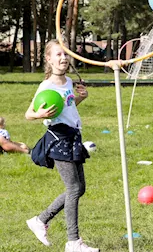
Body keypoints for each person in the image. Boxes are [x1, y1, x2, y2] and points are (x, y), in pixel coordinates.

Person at [25, 39, 99, 252]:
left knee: (79, 188)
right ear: (48, 59)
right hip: (58, 140)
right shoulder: (46, 86)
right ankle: (73, 242)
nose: (63, 58)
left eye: (65, 54)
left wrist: (80, 99)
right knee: (74, 188)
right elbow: (29, 114)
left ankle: (40, 220)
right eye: (58, 54)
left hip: (73, 136)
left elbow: (66, 109)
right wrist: (39, 114)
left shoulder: (68, 82)